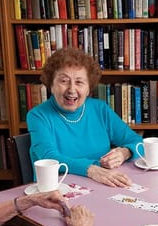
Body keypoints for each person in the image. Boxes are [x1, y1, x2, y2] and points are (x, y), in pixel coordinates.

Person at [27, 46, 143, 187]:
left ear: (89, 88)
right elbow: (49, 157)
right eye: (64, 81)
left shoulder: (100, 109)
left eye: (79, 82)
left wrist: (126, 152)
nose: (71, 89)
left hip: (101, 185)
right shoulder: (37, 116)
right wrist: (92, 170)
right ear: (51, 84)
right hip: (57, 190)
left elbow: (138, 142)